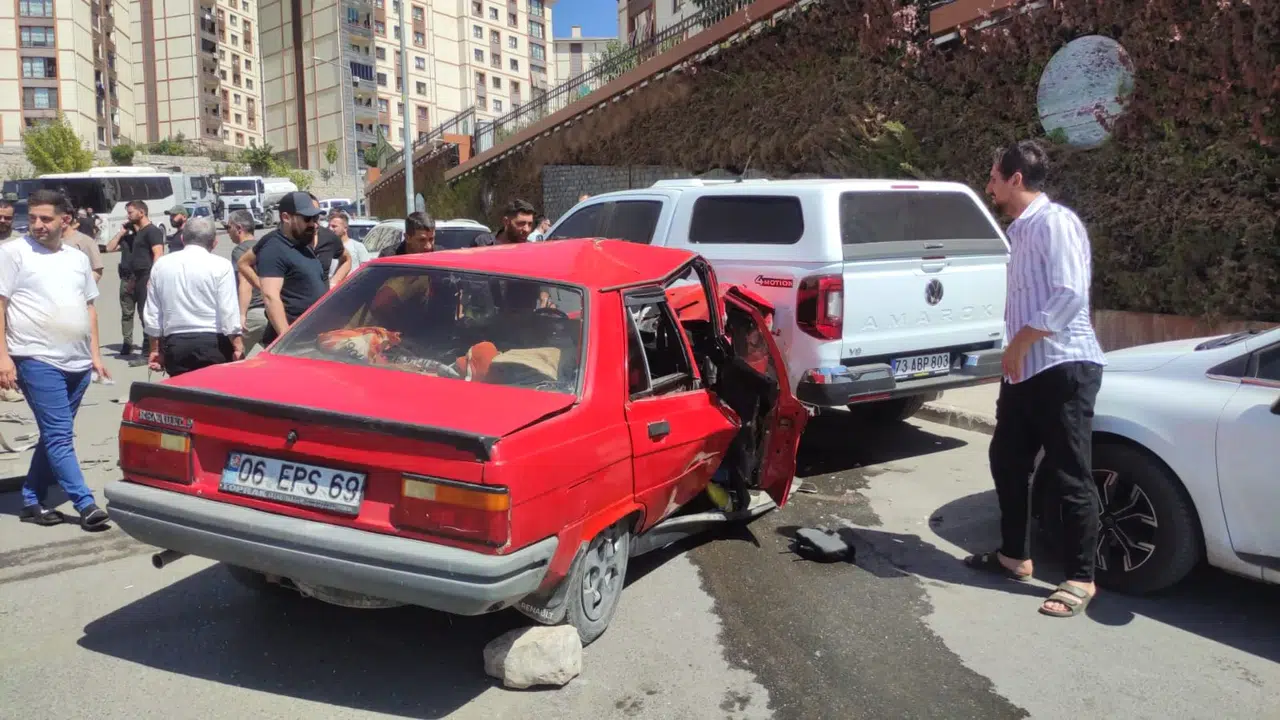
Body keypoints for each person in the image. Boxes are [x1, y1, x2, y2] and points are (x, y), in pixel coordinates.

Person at [964, 140, 1106, 618]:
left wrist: (1021, 341)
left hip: (1063, 366)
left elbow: (1069, 296)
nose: (990, 186)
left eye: (993, 177)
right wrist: (1014, 349)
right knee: (1007, 459)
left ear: (1015, 179)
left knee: (1069, 474)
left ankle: (1081, 578)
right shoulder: (1022, 231)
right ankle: (1013, 555)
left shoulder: (1055, 223)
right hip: (1025, 369)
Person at [0, 190, 111, 529]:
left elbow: (89, 307)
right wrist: (3, 358)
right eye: (32, 218)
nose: (37, 225)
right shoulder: (13, 253)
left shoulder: (76, 258)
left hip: (76, 362)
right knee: (60, 435)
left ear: (65, 220)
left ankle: (31, 499)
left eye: (45, 218)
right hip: (35, 357)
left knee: (54, 434)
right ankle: (85, 503)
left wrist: (95, 354)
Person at [143, 216, 243, 376]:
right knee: (214, 396)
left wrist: (155, 349)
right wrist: (237, 346)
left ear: (182, 239)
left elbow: (153, 313)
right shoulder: (221, 265)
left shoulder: (161, 265)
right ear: (214, 243)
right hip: (213, 343)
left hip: (176, 344)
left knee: (183, 397)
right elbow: (228, 310)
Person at [235, 192, 327, 347]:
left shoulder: (300, 242)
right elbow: (270, 297)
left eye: (315, 218)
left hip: (314, 335)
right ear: (286, 217)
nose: (313, 224)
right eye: (307, 219)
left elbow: (243, 262)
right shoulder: (274, 248)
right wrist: (286, 339)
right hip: (295, 342)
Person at [106, 200, 165, 358]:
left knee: (145, 314)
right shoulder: (132, 233)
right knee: (128, 313)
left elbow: (158, 254)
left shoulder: (152, 231)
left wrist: (153, 277)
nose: (128, 215)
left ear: (141, 212)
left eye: (131, 212)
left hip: (144, 277)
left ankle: (148, 350)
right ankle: (128, 343)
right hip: (129, 278)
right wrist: (121, 233)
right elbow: (109, 248)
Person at [227, 210, 268, 353]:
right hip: (270, 310)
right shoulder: (263, 246)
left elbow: (245, 283)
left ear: (239, 229)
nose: (227, 232)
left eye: (228, 228)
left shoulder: (239, 251)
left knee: (235, 354)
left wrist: (242, 314)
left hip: (253, 311)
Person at [60, 207, 104, 284]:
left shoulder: (86, 241)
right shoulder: (91, 219)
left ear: (67, 219)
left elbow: (96, 270)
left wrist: (83, 291)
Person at [471, 199, 536, 247]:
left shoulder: (529, 248)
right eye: (521, 223)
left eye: (530, 224)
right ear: (506, 222)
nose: (526, 229)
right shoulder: (483, 243)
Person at [328, 211, 371, 279]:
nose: (330, 229)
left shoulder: (357, 246)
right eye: (329, 226)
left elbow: (366, 271)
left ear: (345, 228)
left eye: (334, 226)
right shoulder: (327, 248)